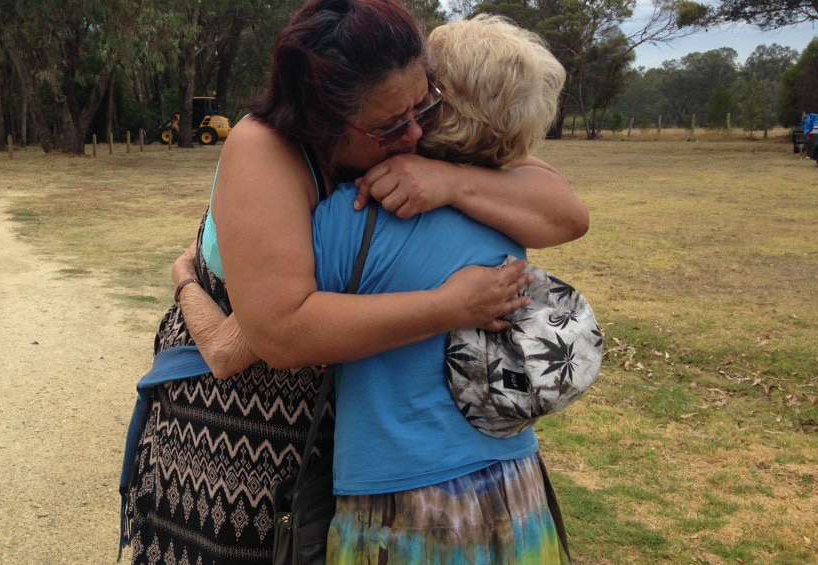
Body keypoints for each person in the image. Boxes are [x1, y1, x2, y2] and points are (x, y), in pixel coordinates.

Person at [122, 1, 588, 563]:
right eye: (393, 124)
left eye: (427, 104)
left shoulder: (417, 152)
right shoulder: (266, 151)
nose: (417, 131)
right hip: (239, 431)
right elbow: (268, 335)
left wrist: (449, 179)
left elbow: (568, 214)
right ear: (323, 121)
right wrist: (449, 306)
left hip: (347, 436)